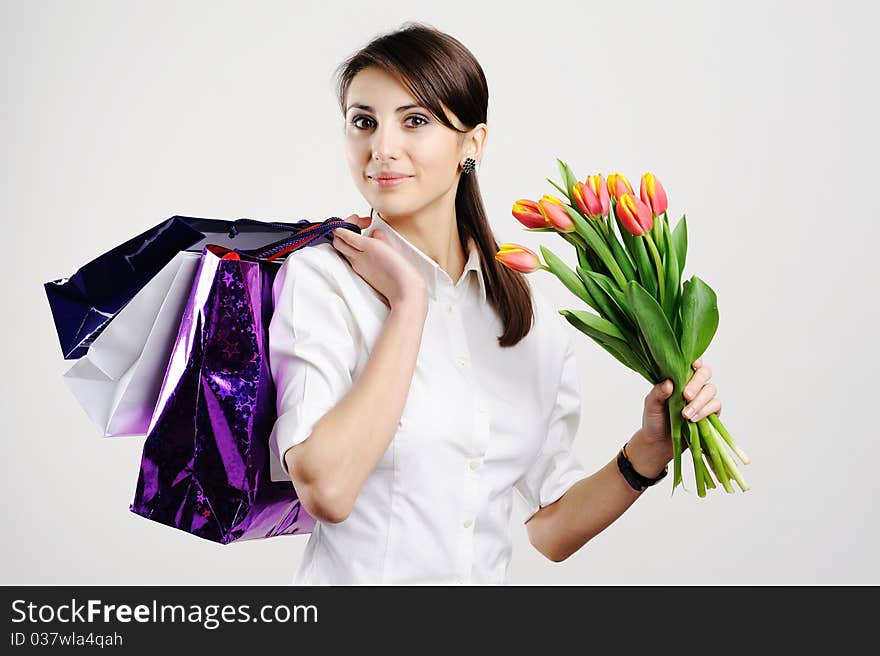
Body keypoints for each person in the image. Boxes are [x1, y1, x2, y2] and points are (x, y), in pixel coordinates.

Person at [267, 23, 722, 585]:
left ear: (472, 143)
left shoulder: (525, 312)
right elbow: (327, 490)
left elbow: (549, 530)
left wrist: (651, 448)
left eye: (415, 120)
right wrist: (409, 304)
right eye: (364, 121)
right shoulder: (321, 281)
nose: (381, 148)